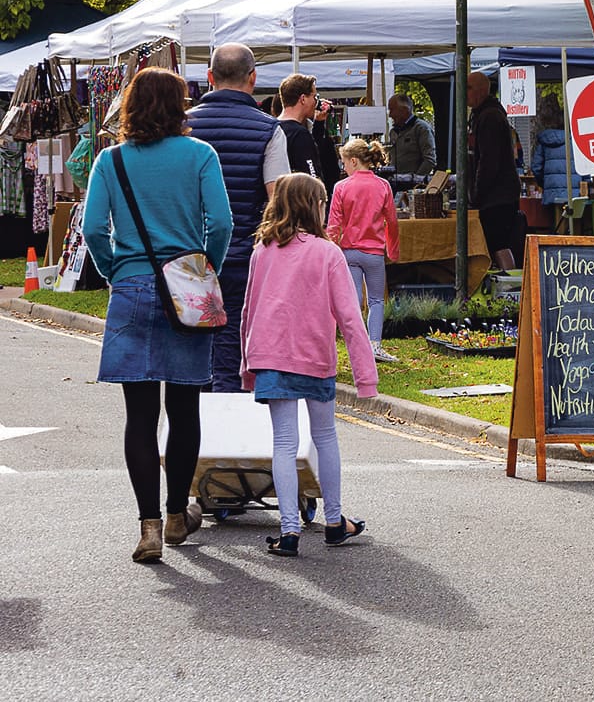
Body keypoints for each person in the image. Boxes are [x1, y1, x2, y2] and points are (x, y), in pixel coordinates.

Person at [82, 68, 233, 562]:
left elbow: (92, 230)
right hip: (186, 287)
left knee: (139, 417)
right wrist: (204, 268)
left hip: (130, 285)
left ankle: (147, 526)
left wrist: (115, 270)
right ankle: (176, 516)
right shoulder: (200, 155)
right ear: (179, 107)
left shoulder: (111, 161)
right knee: (185, 410)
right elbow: (223, 222)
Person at [240, 173, 378, 557]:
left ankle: (288, 532)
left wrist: (247, 365)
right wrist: (365, 377)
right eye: (321, 202)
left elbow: (249, 311)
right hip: (315, 356)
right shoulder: (327, 252)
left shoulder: (262, 250)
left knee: (284, 443)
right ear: (312, 206)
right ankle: (334, 522)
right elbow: (350, 317)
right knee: (325, 436)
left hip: (270, 355)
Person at [187, 43, 290, 392]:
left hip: (189, 257)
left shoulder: (183, 127)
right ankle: (225, 421)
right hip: (243, 257)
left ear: (209, 77)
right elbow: (279, 200)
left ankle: (194, 429)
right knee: (232, 343)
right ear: (253, 78)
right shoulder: (270, 130)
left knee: (194, 345)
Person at [328, 138, 400, 364]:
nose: (343, 168)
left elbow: (334, 224)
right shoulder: (383, 186)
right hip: (375, 253)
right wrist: (393, 249)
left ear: (353, 161)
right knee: (377, 300)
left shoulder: (341, 187)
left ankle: (356, 346)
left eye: (344, 163)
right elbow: (392, 221)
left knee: (353, 300)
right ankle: (375, 345)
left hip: (349, 252)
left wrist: (330, 249)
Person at [467, 71, 524, 269]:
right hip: (498, 194)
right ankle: (506, 284)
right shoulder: (485, 114)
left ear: (482, 91)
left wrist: (477, 194)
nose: (464, 93)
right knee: (497, 243)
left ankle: (509, 286)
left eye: (468, 88)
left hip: (497, 196)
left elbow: (488, 161)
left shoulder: (489, 116)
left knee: (497, 243)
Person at [278, 73, 331, 179]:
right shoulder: (300, 134)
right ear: (303, 99)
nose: (316, 102)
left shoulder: (272, 128)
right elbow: (312, 178)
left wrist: (319, 123)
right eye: (315, 97)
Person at [529, 95, 572, 208]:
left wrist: (545, 183)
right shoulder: (573, 141)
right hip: (574, 194)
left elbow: (536, 167)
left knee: (555, 224)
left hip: (551, 194)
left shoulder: (544, 142)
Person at [387, 94, 436, 178]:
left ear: (404, 110)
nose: (390, 115)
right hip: (396, 183)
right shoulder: (393, 132)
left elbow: (430, 160)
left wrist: (414, 179)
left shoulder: (421, 128)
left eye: (392, 110)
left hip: (412, 187)